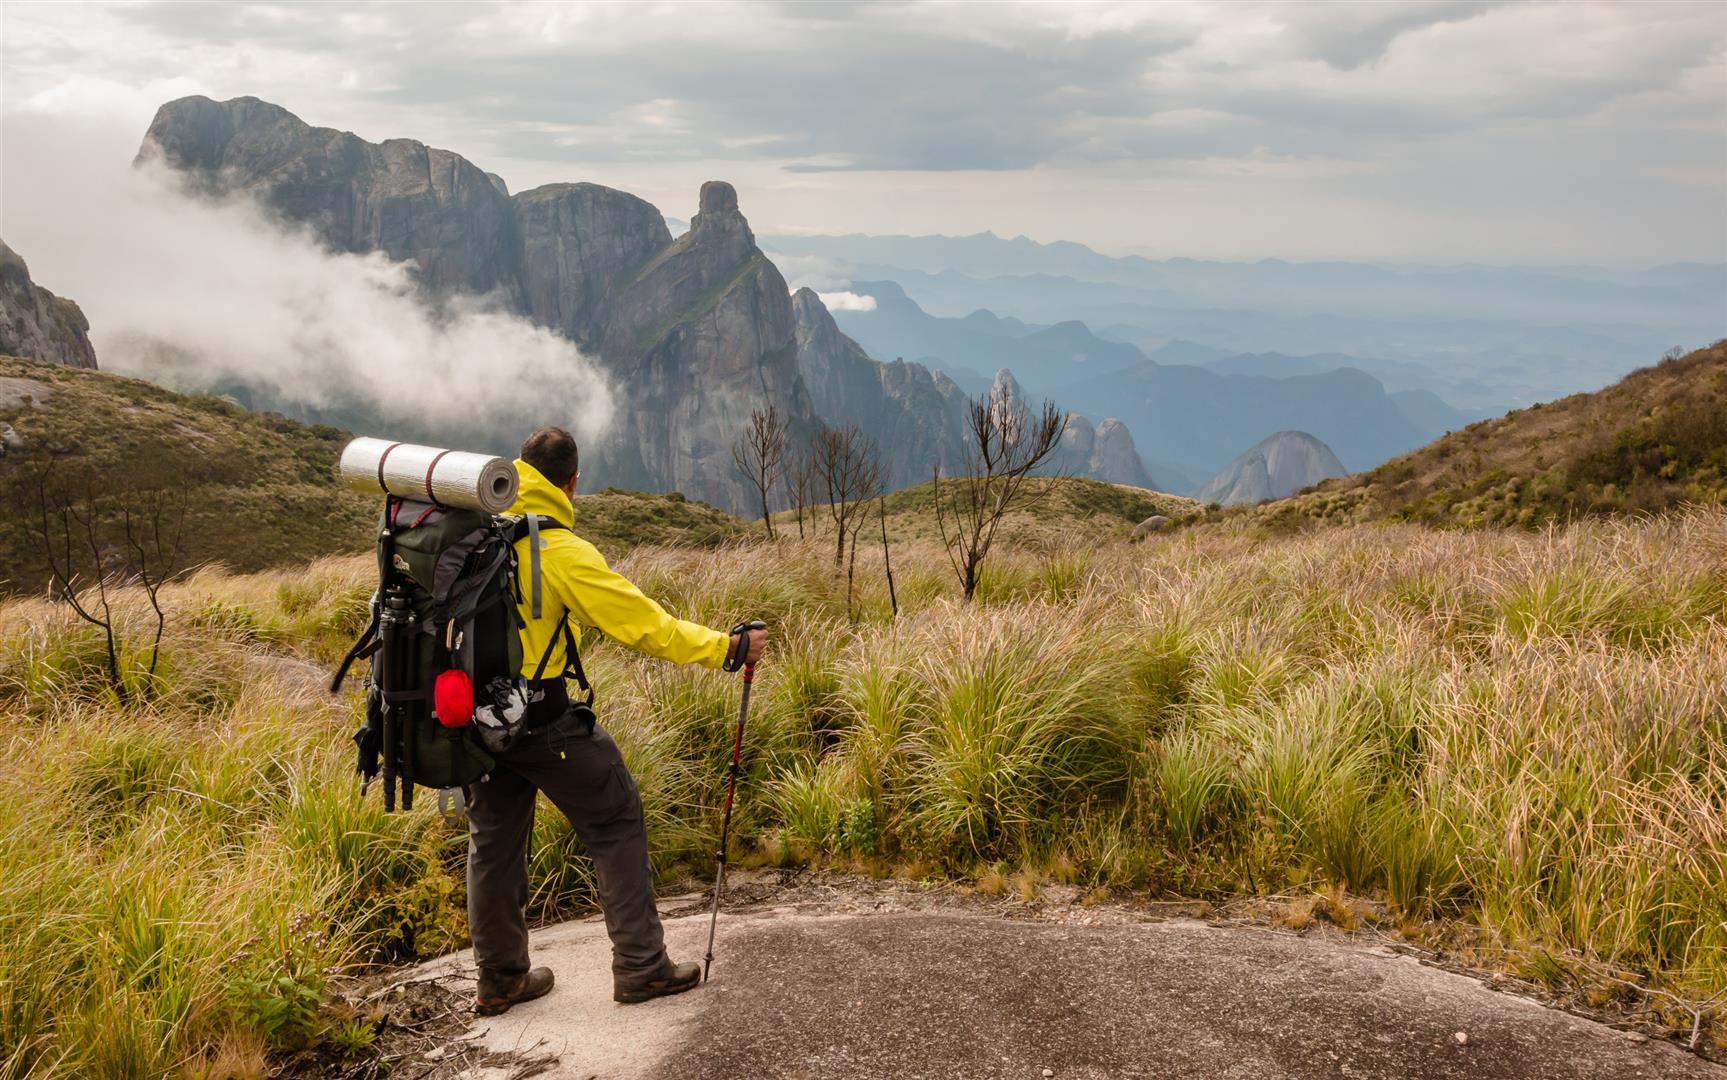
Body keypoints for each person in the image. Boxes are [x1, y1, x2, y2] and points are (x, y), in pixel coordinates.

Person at [467, 425, 767, 1016]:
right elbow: (643, 625)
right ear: (572, 482)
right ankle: (641, 967)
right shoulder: (560, 551)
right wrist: (727, 649)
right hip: (543, 719)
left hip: (475, 721)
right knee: (615, 816)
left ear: (519, 472)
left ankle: (501, 979)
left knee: (494, 844)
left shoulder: (476, 533)